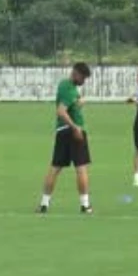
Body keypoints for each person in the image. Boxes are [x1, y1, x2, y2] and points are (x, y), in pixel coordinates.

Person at [38, 62, 93, 214]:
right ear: (76, 74)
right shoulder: (70, 89)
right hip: (73, 131)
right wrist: (75, 128)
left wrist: (78, 104)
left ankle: (44, 204)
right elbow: (61, 111)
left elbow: (68, 106)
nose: (84, 81)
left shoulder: (64, 86)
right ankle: (85, 205)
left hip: (61, 131)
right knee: (81, 168)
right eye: (83, 78)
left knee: (55, 168)